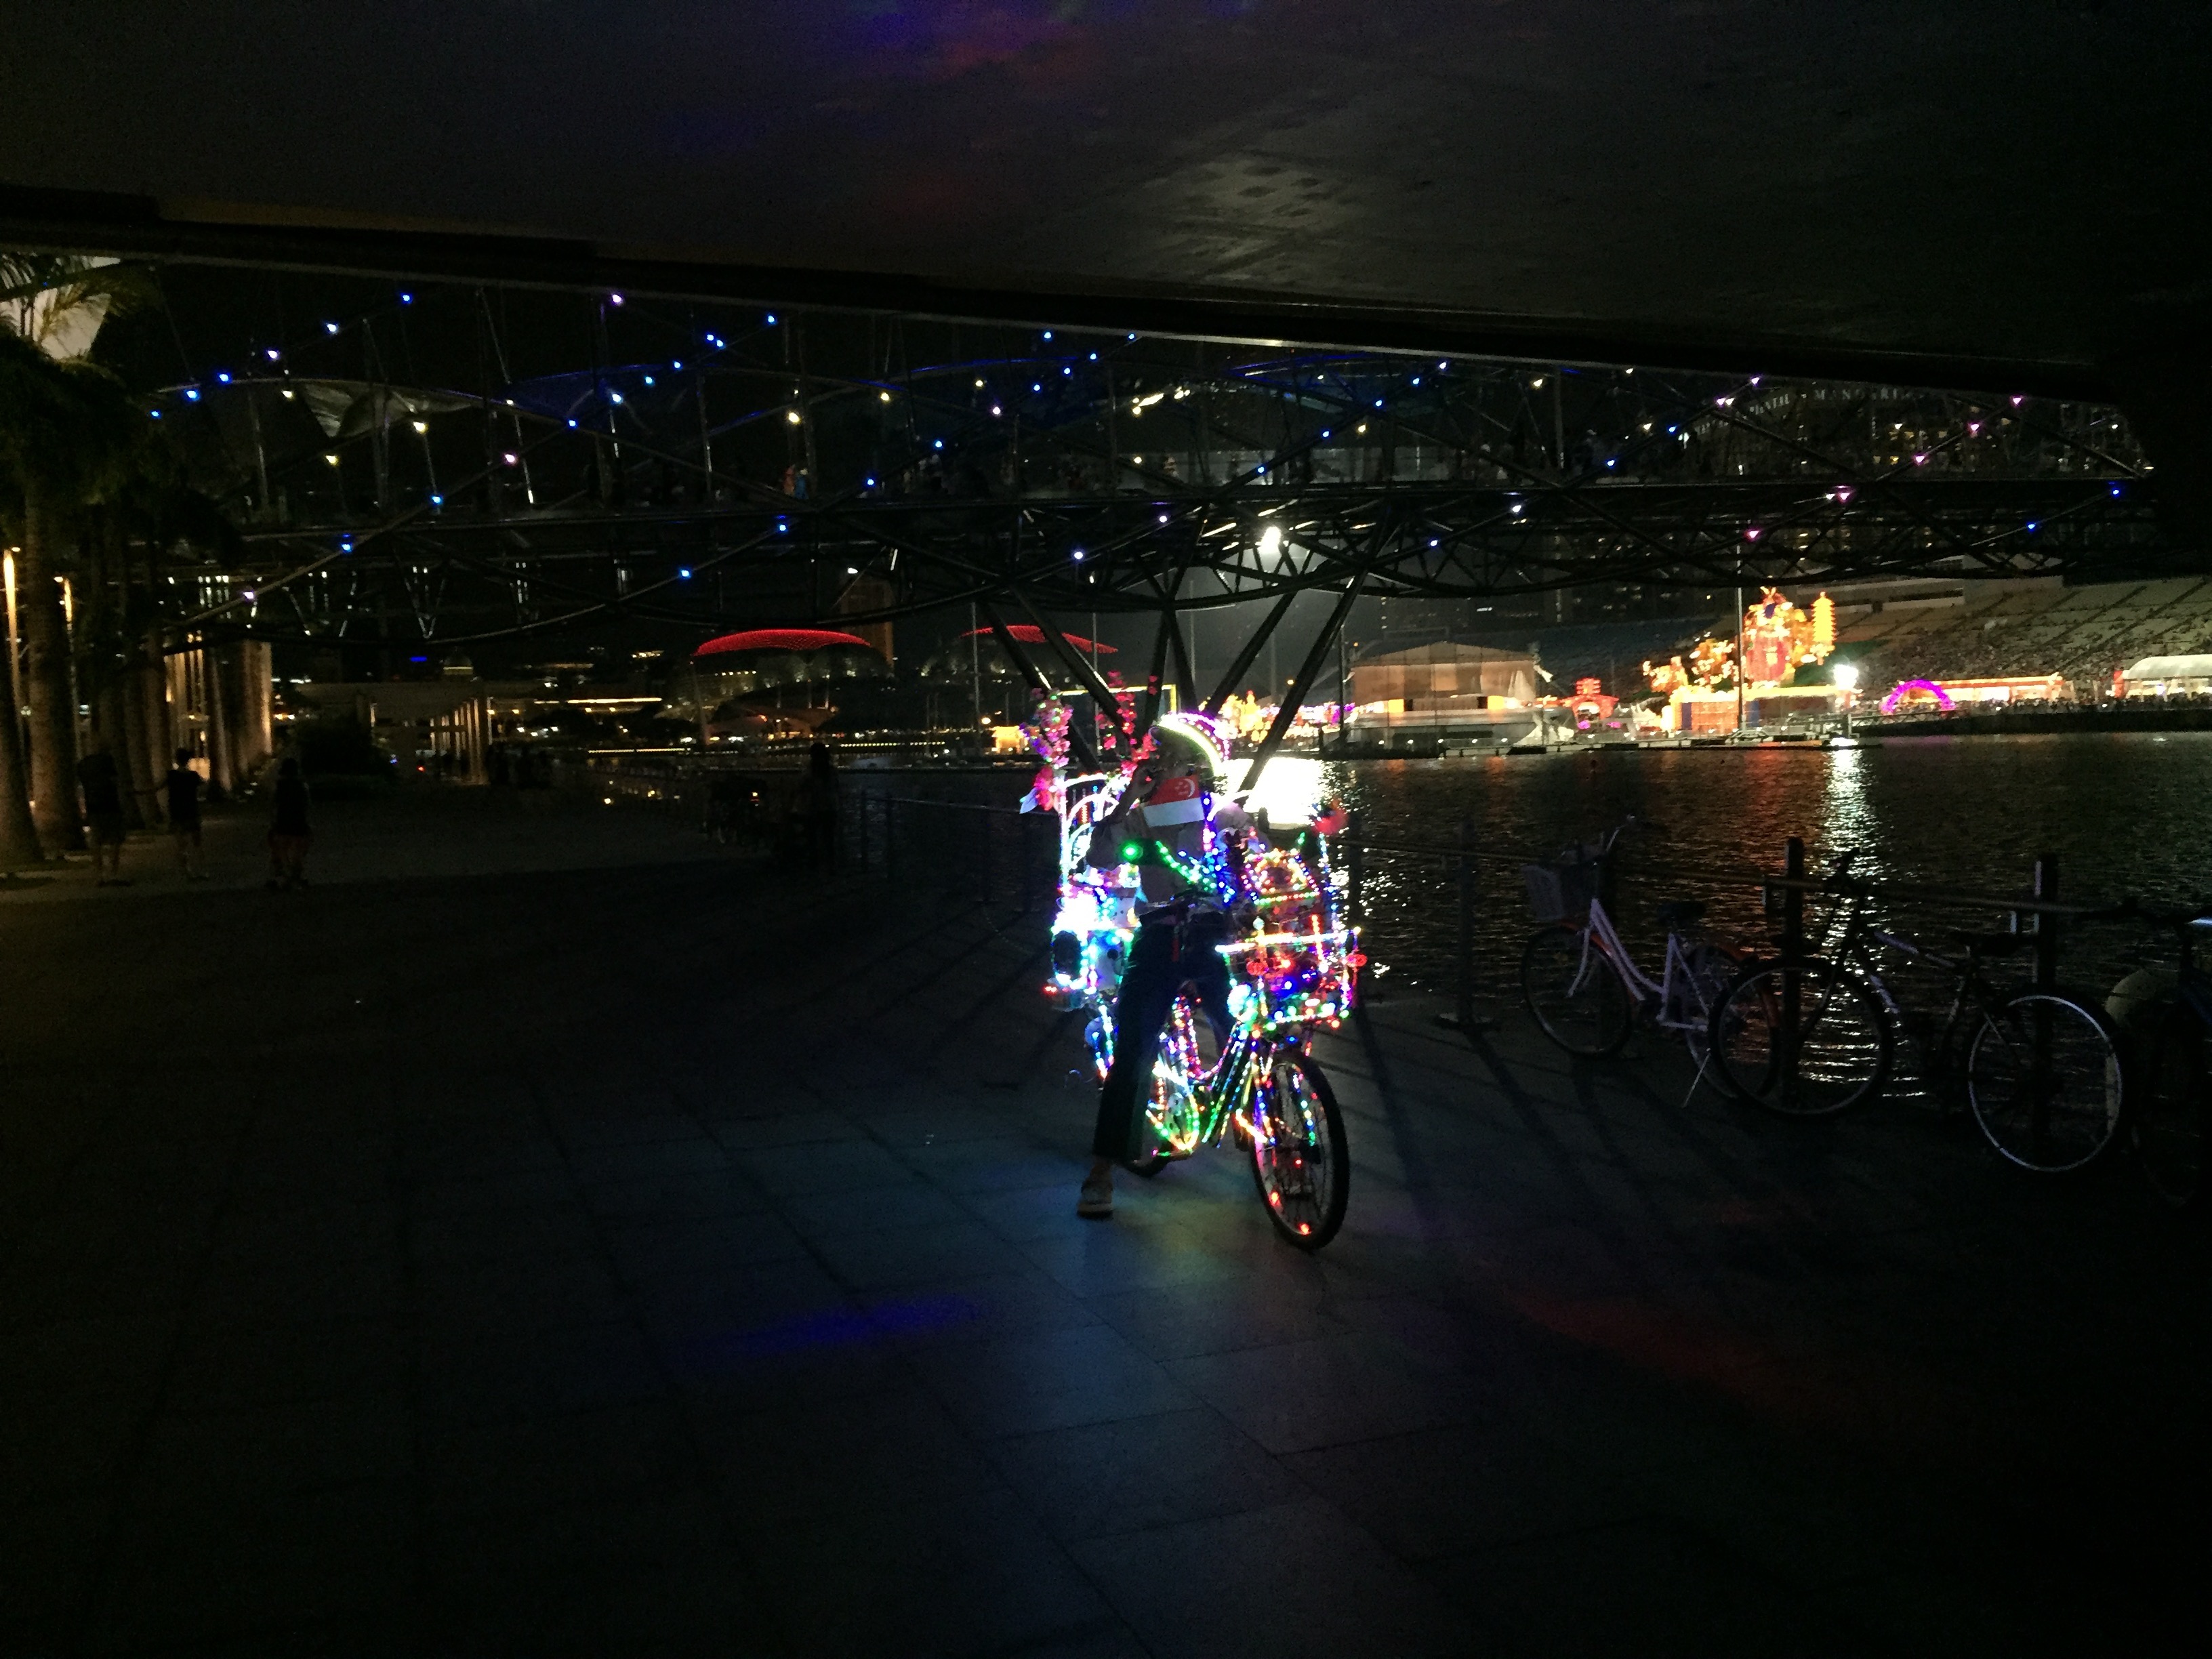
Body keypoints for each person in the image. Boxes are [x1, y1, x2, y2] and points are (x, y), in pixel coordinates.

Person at [1076, 712, 1250, 1219]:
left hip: (1213, 932)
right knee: (1134, 1049)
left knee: (1242, 1027)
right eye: (1159, 755)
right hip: (1160, 934)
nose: (1161, 764)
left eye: (1170, 756)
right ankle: (1102, 1170)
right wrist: (1129, 799)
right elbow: (1099, 857)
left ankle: (1245, 1110)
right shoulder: (1141, 816)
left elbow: (1254, 865)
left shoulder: (1222, 813)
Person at [78, 742, 130, 884]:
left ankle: (98, 875)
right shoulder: (108, 761)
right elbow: (116, 782)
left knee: (96, 842)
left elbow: (82, 786)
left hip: (93, 806)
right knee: (114, 841)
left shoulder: (83, 764)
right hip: (111, 805)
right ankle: (113, 873)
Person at [267, 757, 312, 889]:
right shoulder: (302, 786)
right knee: (298, 852)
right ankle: (295, 877)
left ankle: (287, 877)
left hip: (283, 821)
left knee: (282, 850)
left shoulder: (278, 786)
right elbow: (307, 805)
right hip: (299, 821)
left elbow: (272, 805)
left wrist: (272, 821)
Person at [165, 747, 206, 880]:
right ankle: (201, 870)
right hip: (192, 811)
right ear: (188, 760)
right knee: (197, 843)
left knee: (181, 845)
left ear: (176, 760)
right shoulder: (193, 776)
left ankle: (186, 871)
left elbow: (157, 786)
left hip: (177, 813)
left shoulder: (171, 775)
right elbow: (203, 785)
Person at [797, 741, 838, 870]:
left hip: (813, 808)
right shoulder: (831, 771)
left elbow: (801, 788)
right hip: (829, 807)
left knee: (812, 838)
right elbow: (836, 788)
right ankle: (831, 865)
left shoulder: (809, 772)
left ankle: (814, 864)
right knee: (829, 838)